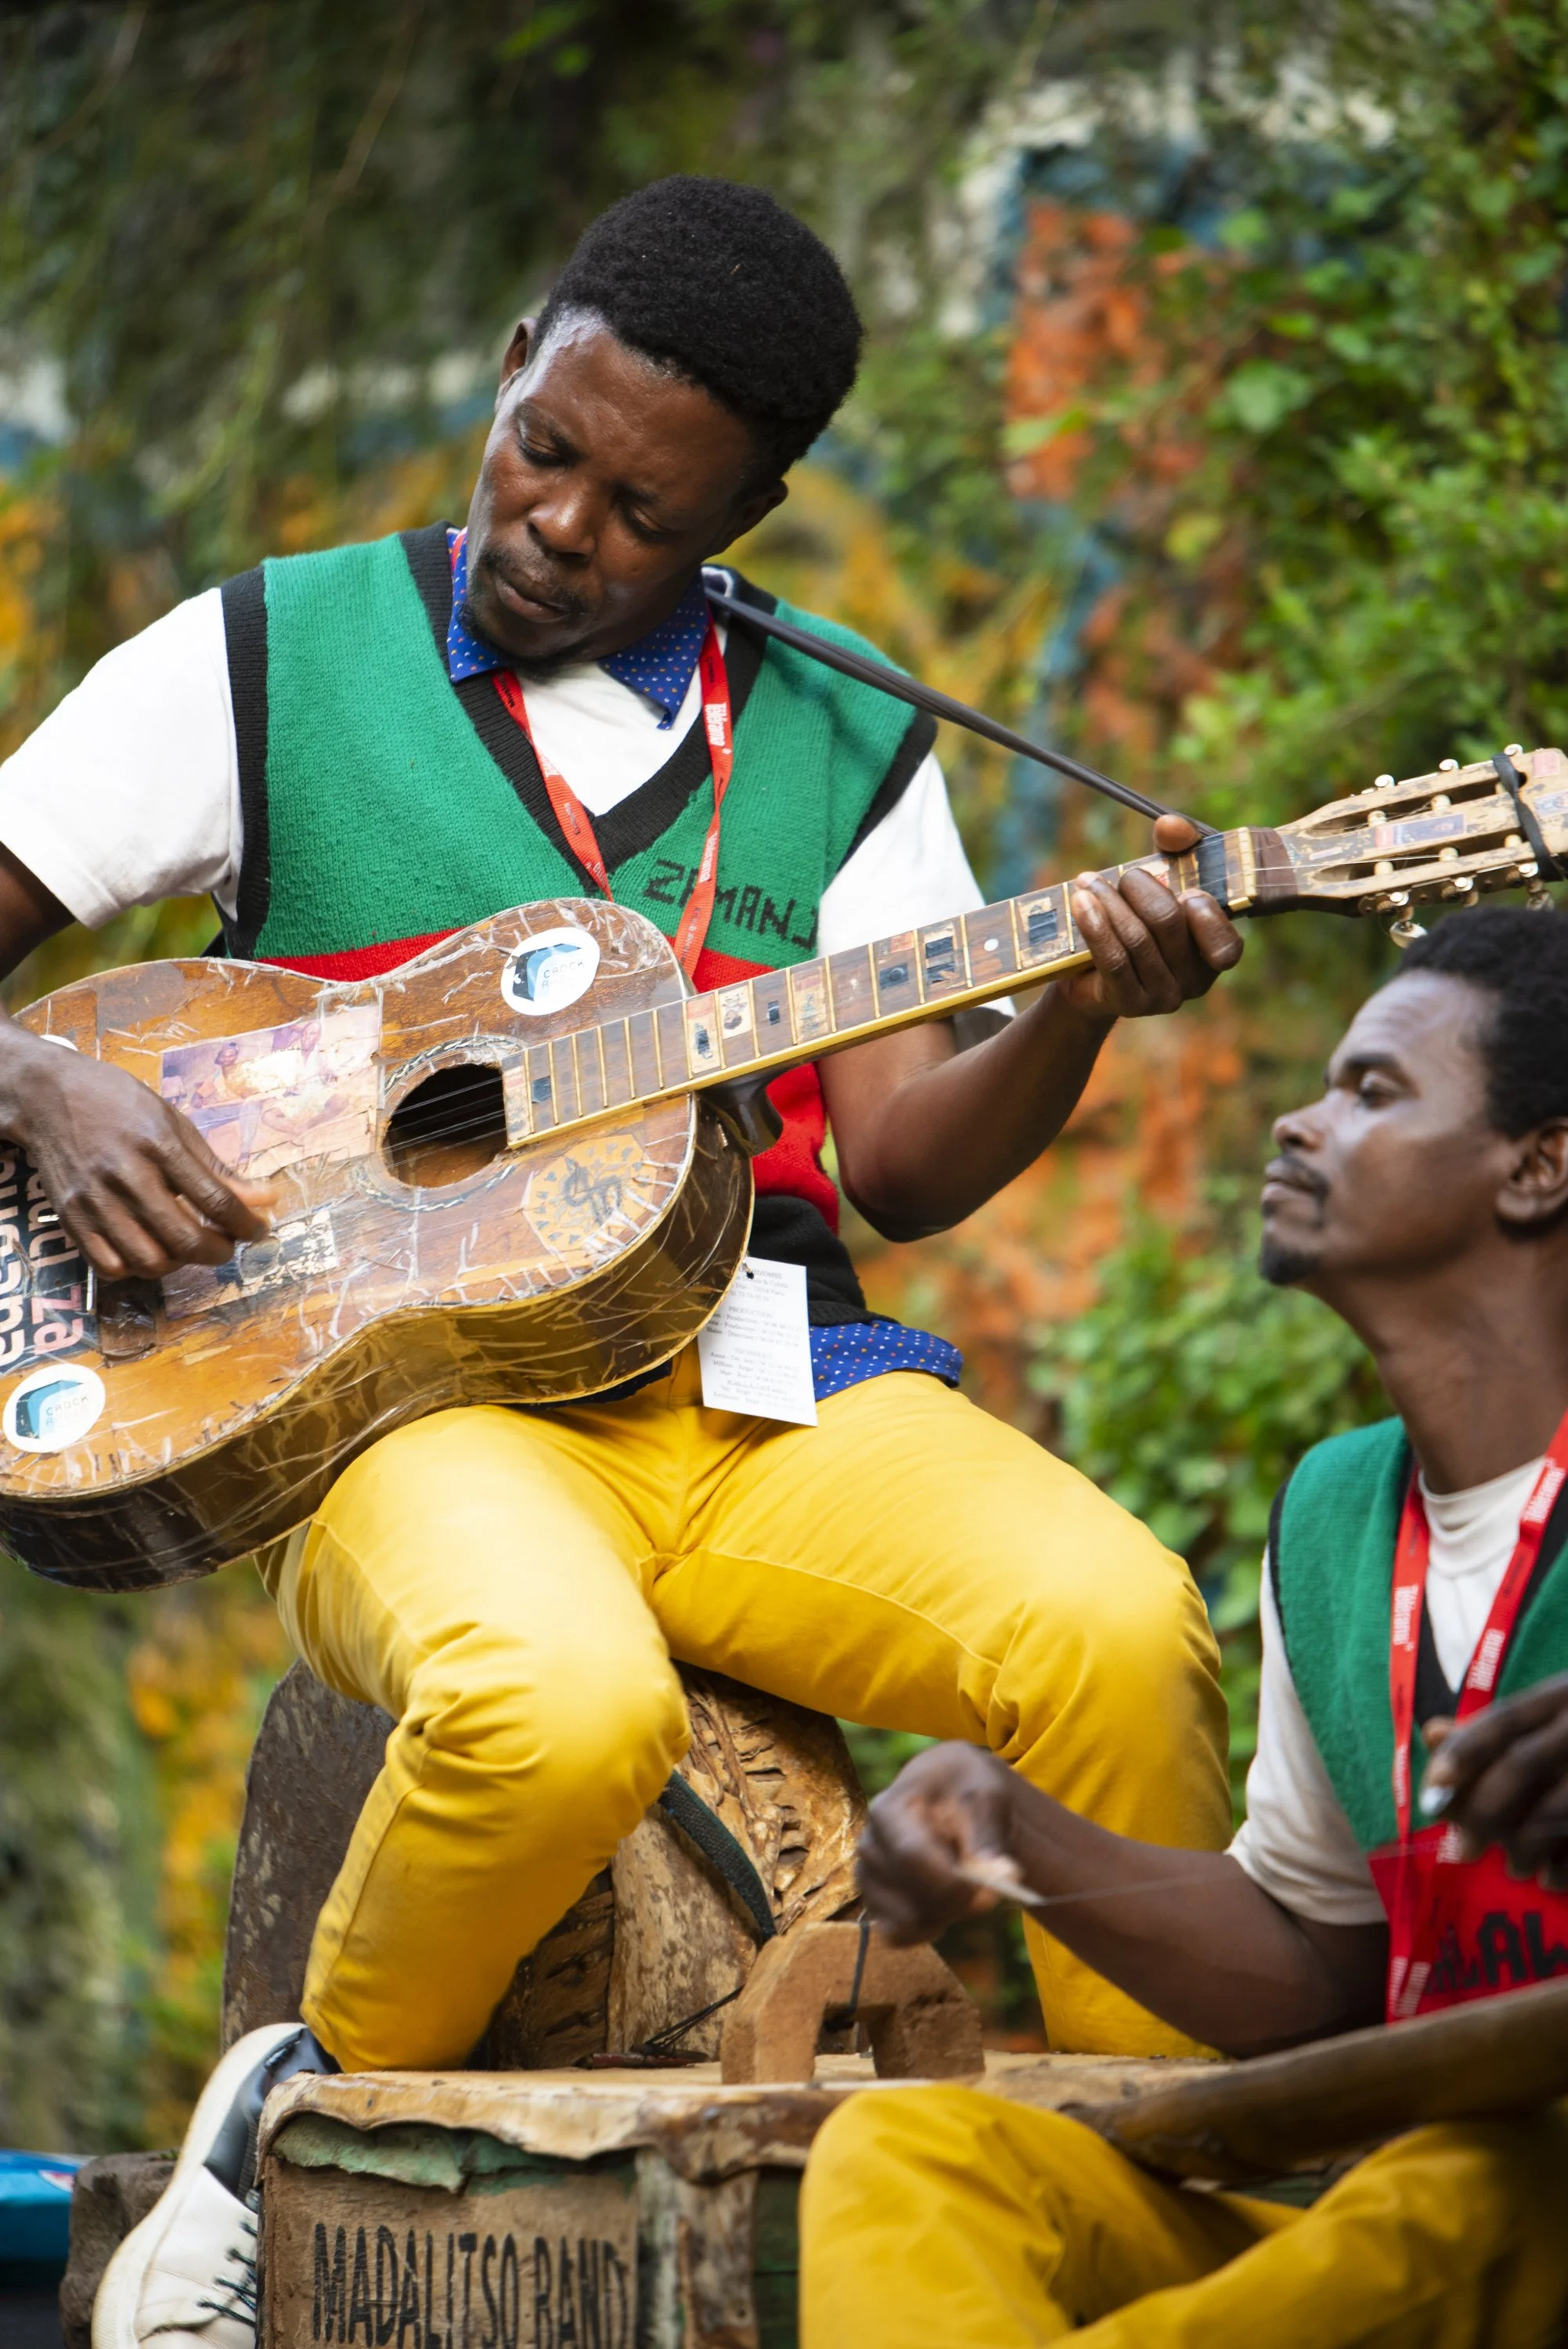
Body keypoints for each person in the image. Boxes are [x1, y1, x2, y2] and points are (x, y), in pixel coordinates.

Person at [0, 179, 1241, 2347]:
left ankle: (1189, 2199)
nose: (563, 524)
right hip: (406, 1406)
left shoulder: (846, 731)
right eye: (542, 452)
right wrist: (42, 1088)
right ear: (508, 373)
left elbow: (911, 1169)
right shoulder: (266, 655)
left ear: (748, 508)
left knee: (1118, 1632)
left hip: (764, 1397)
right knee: (555, 1704)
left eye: (641, 510)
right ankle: (293, 2134)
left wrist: (1075, 998)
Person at [804, 902, 1568, 2349]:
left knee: (1486, 2183)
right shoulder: (1340, 1519)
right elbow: (1307, 1963)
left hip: (1516, 2197)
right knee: (919, 2161)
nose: (1295, 1122)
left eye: (1372, 1093)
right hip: (1391, 2206)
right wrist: (1014, 1827)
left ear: (1537, 1167)